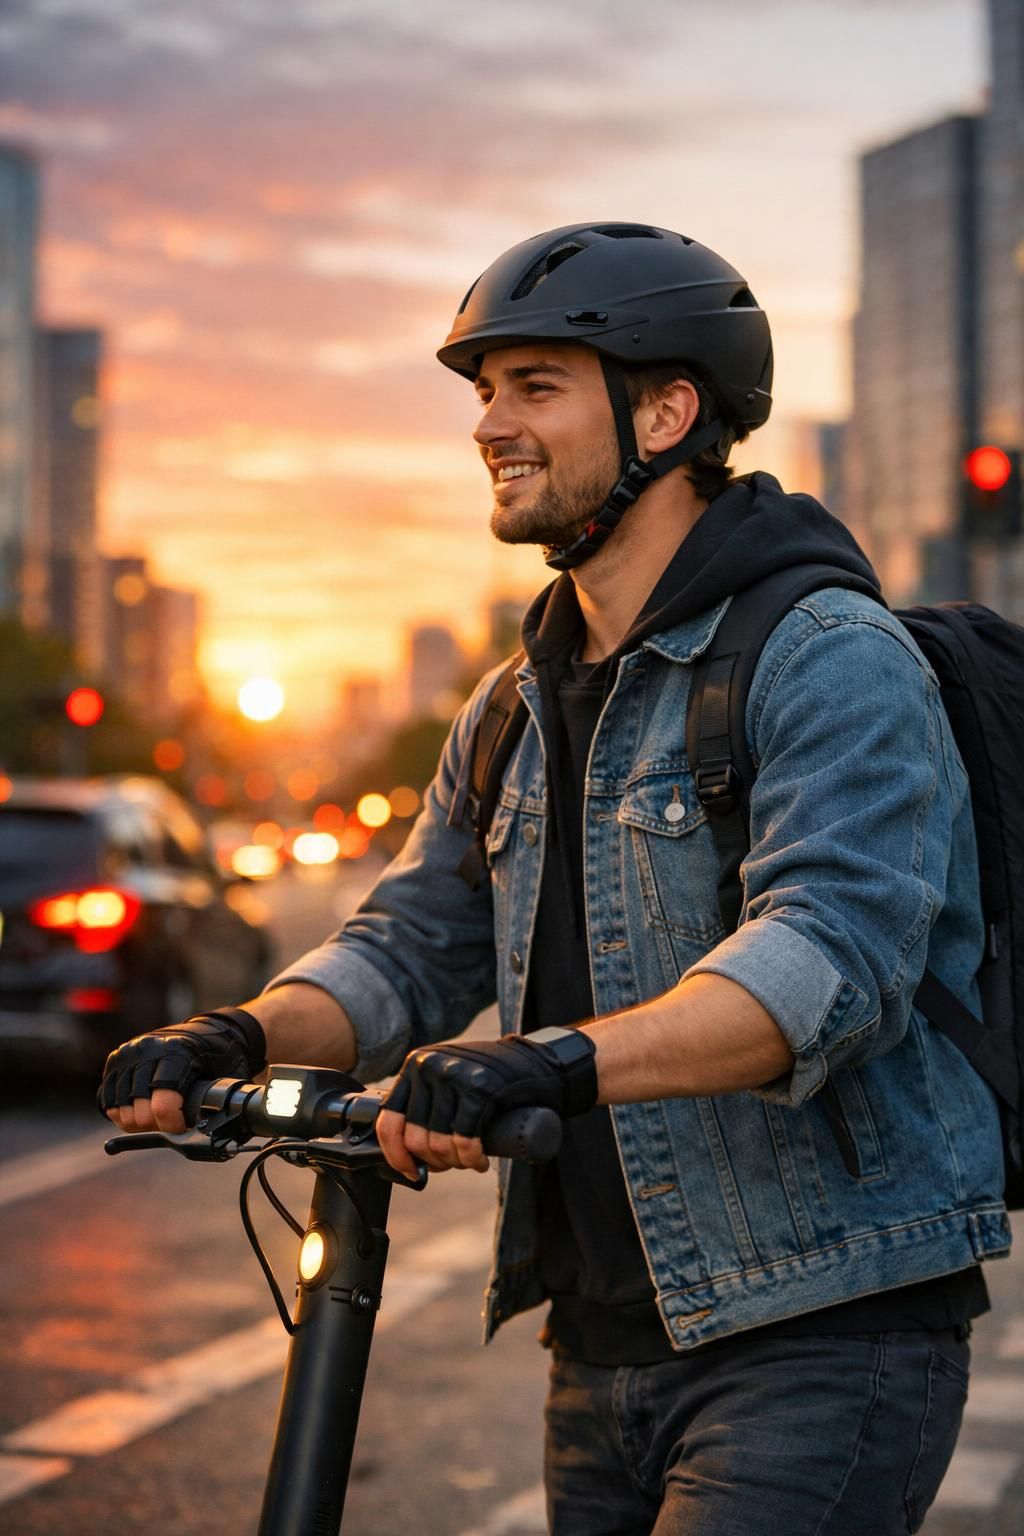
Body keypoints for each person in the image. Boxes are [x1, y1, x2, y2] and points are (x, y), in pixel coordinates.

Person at [100, 222, 1010, 1535]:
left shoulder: (825, 654)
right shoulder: (516, 705)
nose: (489, 425)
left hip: (816, 1329)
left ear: (667, 410)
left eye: (534, 386)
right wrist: (239, 1028)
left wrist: (552, 1063)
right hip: (597, 1348)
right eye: (483, 393)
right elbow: (411, 945)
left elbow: (828, 965)